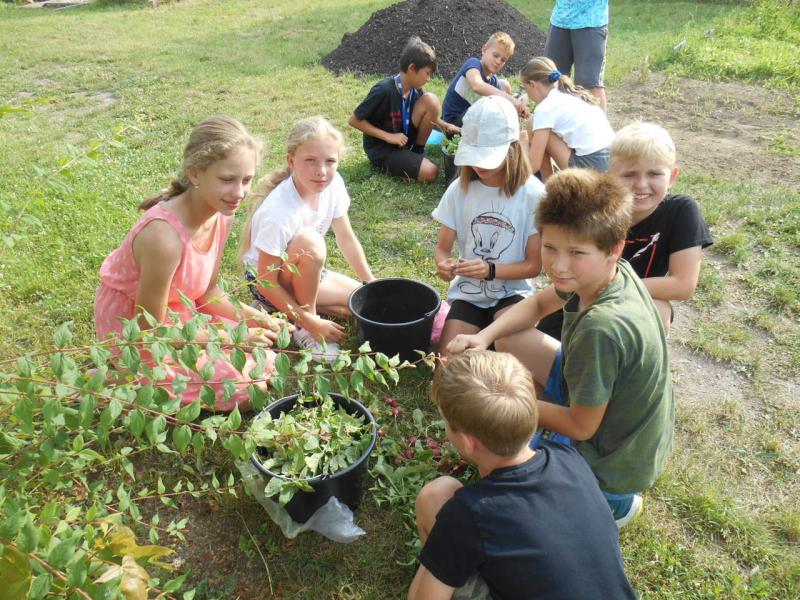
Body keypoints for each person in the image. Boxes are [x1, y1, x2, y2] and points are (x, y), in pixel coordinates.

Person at [448, 169, 675, 528]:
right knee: (509, 339)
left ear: (614, 248)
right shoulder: (602, 273)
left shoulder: (601, 329)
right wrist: (484, 337)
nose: (558, 265)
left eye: (576, 252)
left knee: (495, 450)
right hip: (598, 405)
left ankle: (612, 508)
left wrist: (504, 404)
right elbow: (539, 304)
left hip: (608, 468)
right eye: (550, 247)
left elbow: (581, 426)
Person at [409, 350, 637, 600]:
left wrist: (440, 548)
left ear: (467, 442)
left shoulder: (468, 514)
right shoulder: (569, 458)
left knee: (435, 496)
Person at [94, 116, 282, 411]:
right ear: (195, 174)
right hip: (137, 329)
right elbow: (149, 329)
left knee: (265, 362)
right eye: (227, 179)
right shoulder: (163, 238)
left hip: (179, 312)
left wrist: (253, 317)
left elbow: (207, 291)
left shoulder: (221, 215)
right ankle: (122, 376)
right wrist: (232, 336)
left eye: (246, 180)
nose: (239, 193)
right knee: (247, 391)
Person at [537, 121, 714, 338]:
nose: (641, 184)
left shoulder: (681, 211)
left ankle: (630, 358)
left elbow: (683, 285)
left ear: (672, 176)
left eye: (654, 174)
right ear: (609, 176)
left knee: (660, 309)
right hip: (578, 299)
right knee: (534, 342)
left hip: (630, 302)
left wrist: (607, 289)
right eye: (629, 175)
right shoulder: (593, 209)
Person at [239, 116, 374, 363]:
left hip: (303, 270)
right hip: (267, 281)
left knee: (361, 304)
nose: (321, 171)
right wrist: (312, 321)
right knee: (311, 243)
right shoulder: (278, 212)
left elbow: (346, 237)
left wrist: (371, 283)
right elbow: (265, 282)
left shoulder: (333, 184)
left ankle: (278, 310)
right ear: (292, 161)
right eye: (310, 161)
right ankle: (305, 326)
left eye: (330, 161)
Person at [432, 96, 543, 357]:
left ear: (512, 149)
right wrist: (444, 265)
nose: (479, 165)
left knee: (512, 358)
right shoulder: (459, 190)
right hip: (468, 294)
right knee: (447, 368)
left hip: (513, 293)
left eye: (488, 157)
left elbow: (533, 265)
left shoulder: (533, 194)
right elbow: (442, 249)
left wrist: (490, 270)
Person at [348, 36, 459, 183]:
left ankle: (417, 152)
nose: (429, 79)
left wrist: (447, 126)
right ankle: (392, 166)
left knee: (431, 100)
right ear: (412, 68)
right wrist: (388, 136)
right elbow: (354, 120)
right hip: (383, 148)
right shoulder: (383, 90)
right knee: (432, 173)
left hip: (403, 141)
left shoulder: (415, 89)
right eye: (427, 73)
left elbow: (429, 118)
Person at [520, 56, 614, 181]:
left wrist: (522, 144)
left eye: (526, 89)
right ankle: (550, 184)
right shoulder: (574, 94)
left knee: (532, 123)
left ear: (532, 84)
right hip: (614, 161)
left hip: (592, 173)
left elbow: (533, 165)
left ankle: (548, 185)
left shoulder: (544, 108)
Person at [441, 32, 530, 129]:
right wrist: (511, 100)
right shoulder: (473, 64)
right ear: (484, 49)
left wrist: (514, 107)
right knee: (491, 107)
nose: (498, 61)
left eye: (503, 60)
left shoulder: (493, 81)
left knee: (503, 90)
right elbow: (477, 86)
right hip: (452, 122)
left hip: (472, 122)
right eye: (495, 55)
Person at [543, 0, 609, 111]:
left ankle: (599, 122)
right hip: (560, 20)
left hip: (591, 20)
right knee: (552, 79)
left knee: (589, 85)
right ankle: (556, 121)